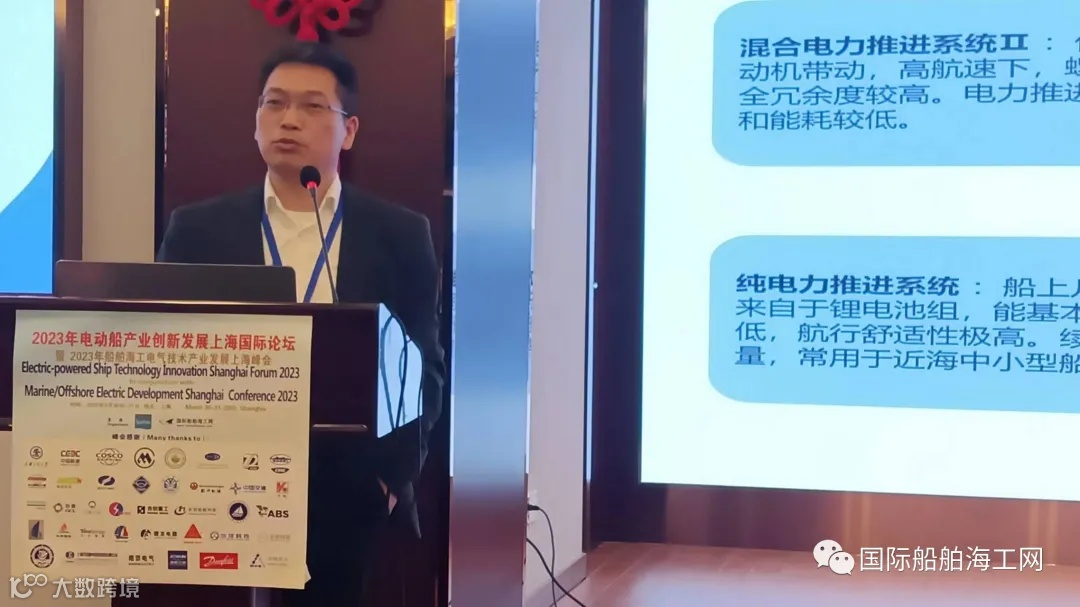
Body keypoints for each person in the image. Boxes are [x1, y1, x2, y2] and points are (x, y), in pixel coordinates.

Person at [156, 41, 445, 605]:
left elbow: (421, 365)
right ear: (256, 120)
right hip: (217, 475)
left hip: (348, 486)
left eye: (313, 106)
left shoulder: (399, 233)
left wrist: (391, 478)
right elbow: (166, 351)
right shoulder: (197, 230)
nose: (288, 119)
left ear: (349, 130)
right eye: (274, 103)